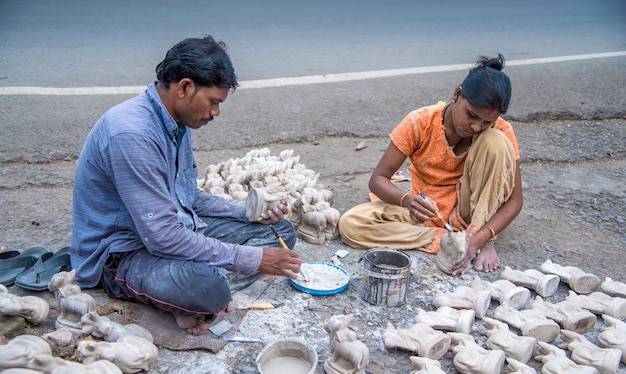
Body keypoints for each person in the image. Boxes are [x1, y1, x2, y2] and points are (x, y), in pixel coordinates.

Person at [70, 36, 301, 335]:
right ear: (185, 88)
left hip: (169, 231)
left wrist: (245, 211)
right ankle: (201, 293)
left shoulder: (176, 122)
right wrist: (253, 258)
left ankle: (197, 292)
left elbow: (188, 196)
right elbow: (162, 238)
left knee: (280, 232)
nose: (216, 112)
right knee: (207, 287)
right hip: (124, 253)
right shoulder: (132, 133)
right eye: (214, 102)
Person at [338, 54, 522, 275]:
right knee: (350, 224)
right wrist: (407, 200)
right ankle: (449, 240)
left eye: (486, 121)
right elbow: (378, 180)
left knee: (496, 141)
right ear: (457, 94)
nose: (476, 126)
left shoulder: (500, 130)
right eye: (471, 115)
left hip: (470, 214)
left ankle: (474, 240)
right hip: (424, 210)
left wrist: (482, 236)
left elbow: (514, 201)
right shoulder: (420, 122)